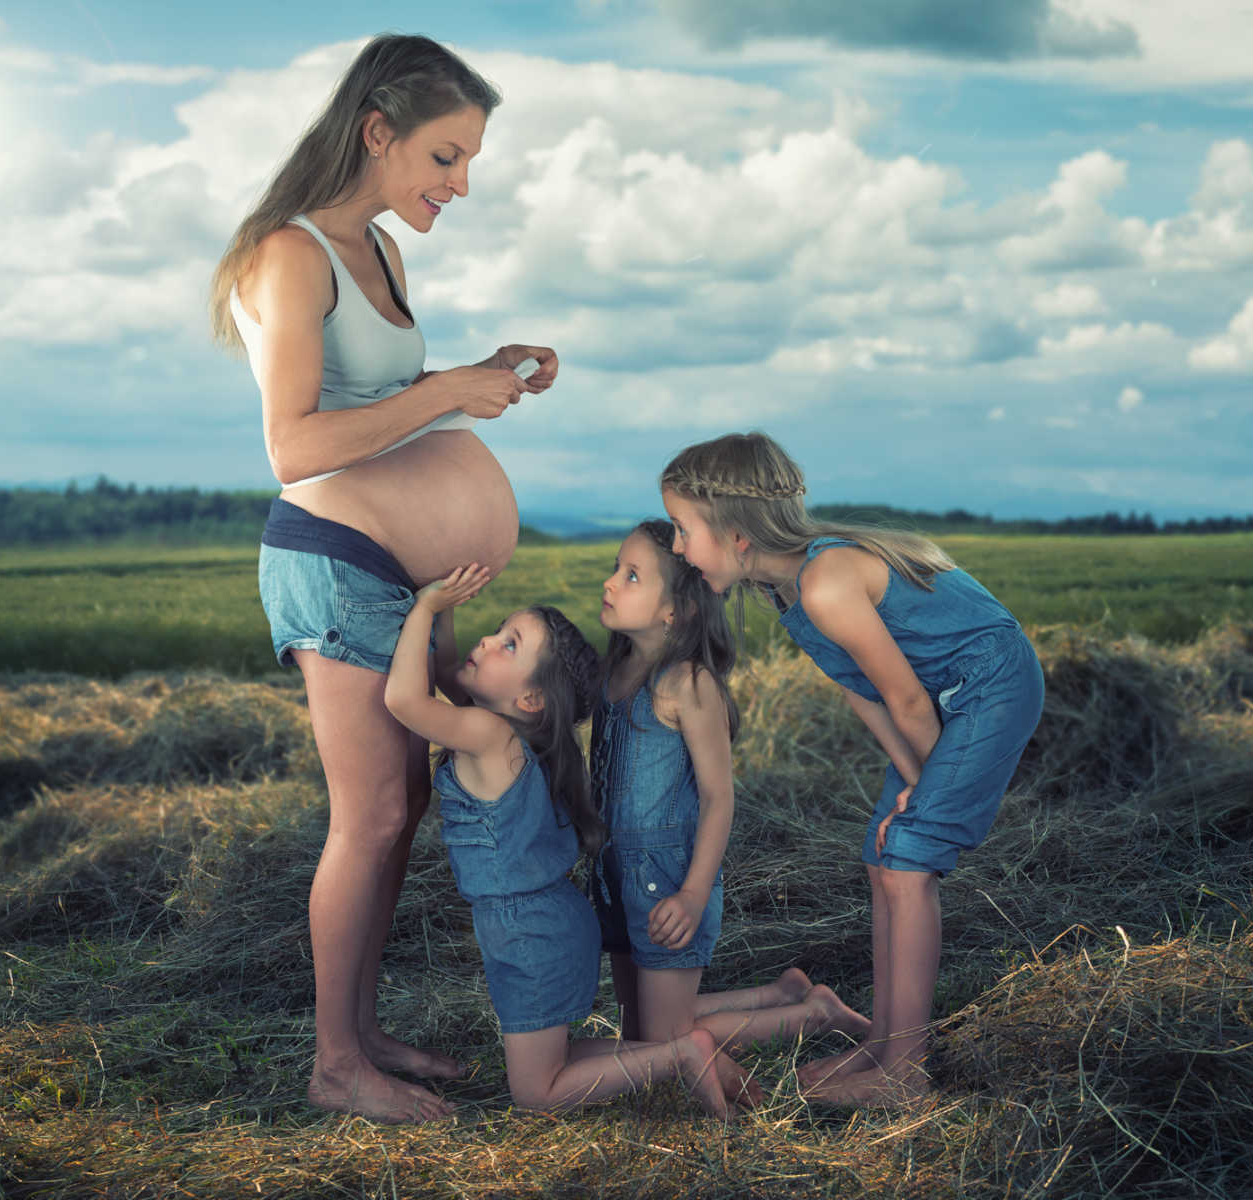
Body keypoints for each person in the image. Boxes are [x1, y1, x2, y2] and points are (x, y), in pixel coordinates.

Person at [210, 34, 552, 1122]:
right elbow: (297, 445)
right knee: (366, 817)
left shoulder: (385, 256)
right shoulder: (291, 253)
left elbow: (389, 422)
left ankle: (357, 1032)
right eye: (445, 159)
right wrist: (442, 385)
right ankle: (333, 1066)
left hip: (395, 581)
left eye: (468, 165)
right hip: (334, 563)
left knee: (398, 807)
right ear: (378, 132)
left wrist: (482, 378)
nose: (459, 185)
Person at [658, 433, 1045, 1107]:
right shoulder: (787, 594)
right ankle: (888, 1043)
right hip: (935, 700)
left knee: (908, 858)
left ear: (736, 533)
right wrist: (911, 781)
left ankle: (907, 1074)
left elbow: (905, 699)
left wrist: (925, 792)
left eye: (684, 528)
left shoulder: (827, 583)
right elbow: (861, 690)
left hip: (991, 685)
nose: (676, 546)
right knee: (883, 855)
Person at [383, 567, 730, 1117]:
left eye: (508, 645)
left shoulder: (490, 735)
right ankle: (671, 1052)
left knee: (536, 1094)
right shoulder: (513, 730)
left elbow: (403, 699)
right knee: (554, 1062)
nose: (488, 642)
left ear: (530, 698)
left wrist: (426, 607)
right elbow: (450, 672)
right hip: (543, 923)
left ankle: (684, 1052)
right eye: (498, 631)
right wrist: (447, 602)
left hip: (531, 933)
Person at [591, 522, 870, 1086]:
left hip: (669, 878)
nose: (611, 582)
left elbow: (719, 798)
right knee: (638, 1034)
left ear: (677, 612)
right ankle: (781, 992)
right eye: (618, 568)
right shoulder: (614, 674)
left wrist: (694, 893)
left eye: (633, 575)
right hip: (613, 871)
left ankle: (809, 1014)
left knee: (664, 1048)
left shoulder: (687, 684)